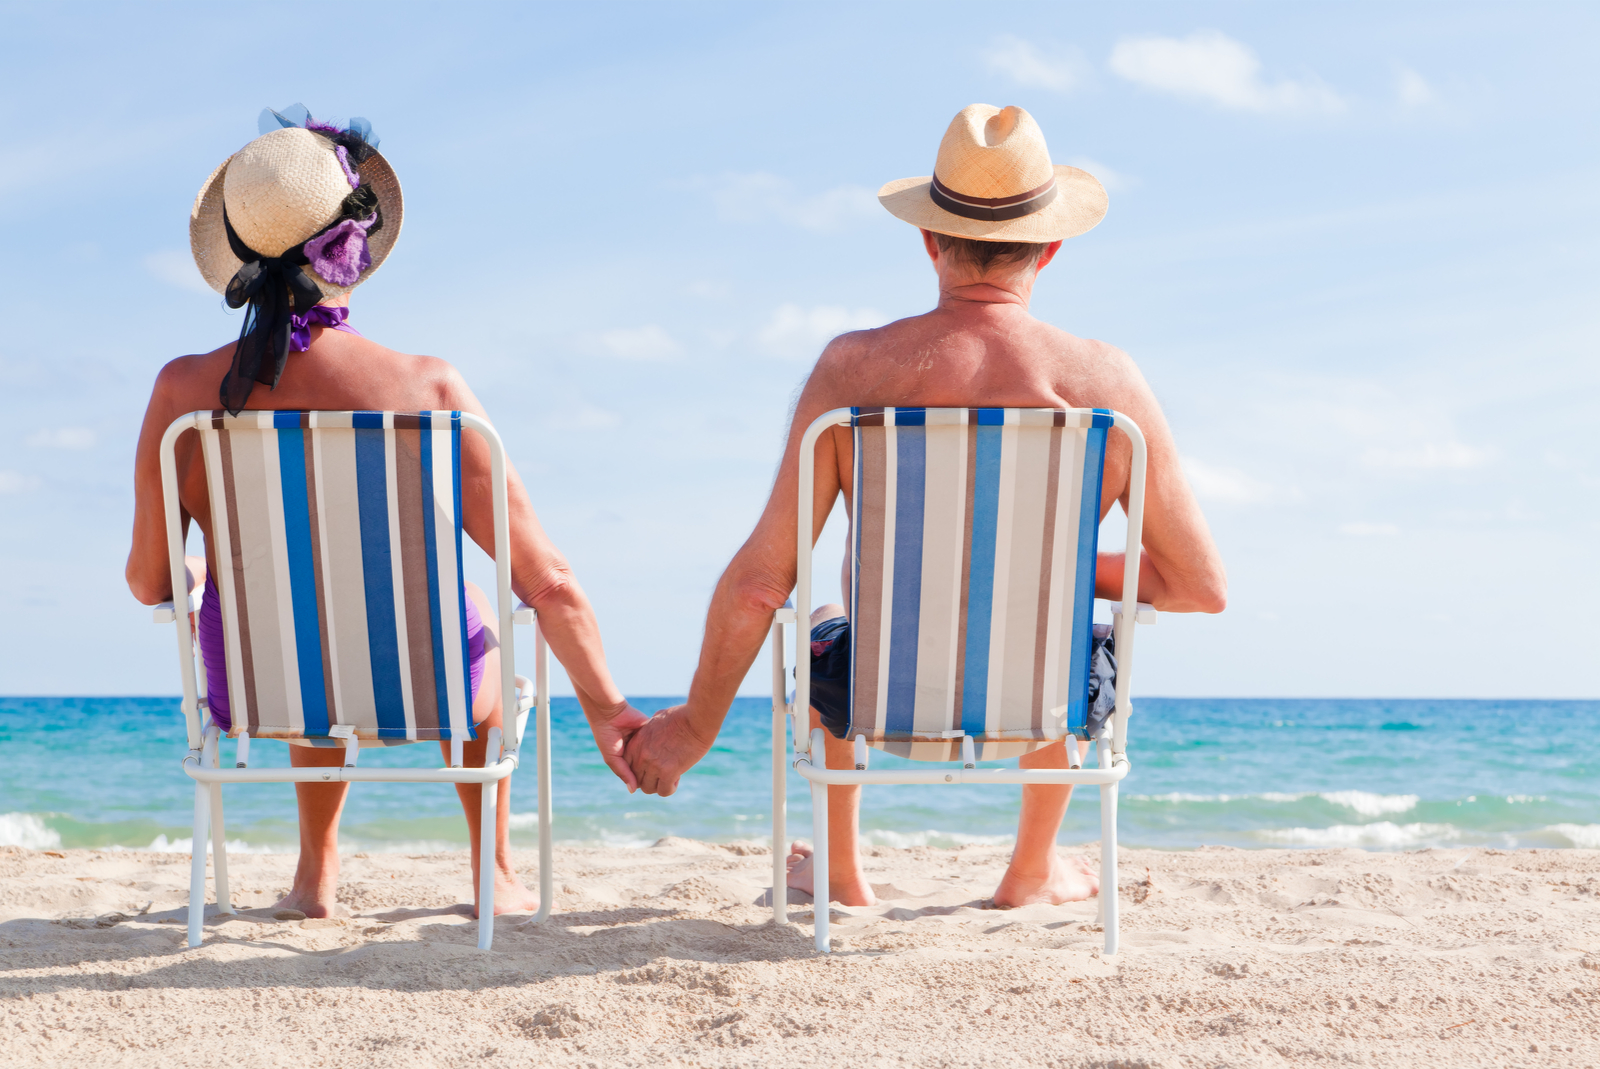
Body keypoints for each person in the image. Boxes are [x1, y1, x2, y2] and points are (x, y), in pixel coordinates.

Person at [624, 104, 1227, 908]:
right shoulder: (1106, 385)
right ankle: (1031, 871)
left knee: (830, 602)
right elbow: (1199, 587)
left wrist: (693, 728)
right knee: (1068, 624)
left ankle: (838, 873)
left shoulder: (856, 371)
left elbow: (761, 583)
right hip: (1048, 702)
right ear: (1049, 248)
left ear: (928, 239)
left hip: (875, 696)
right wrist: (1058, 573)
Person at [124, 107, 647, 919]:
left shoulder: (182, 394)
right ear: (352, 249)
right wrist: (613, 712)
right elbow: (547, 581)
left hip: (263, 687)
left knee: (297, 612)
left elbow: (149, 581)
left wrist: (199, 568)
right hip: (428, 686)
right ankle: (494, 874)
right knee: (463, 621)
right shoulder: (429, 391)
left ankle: (313, 879)